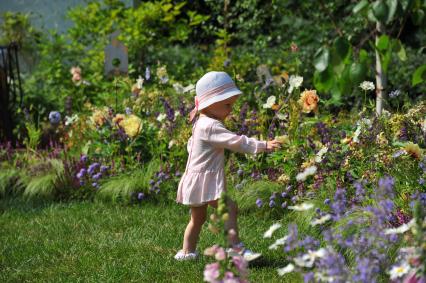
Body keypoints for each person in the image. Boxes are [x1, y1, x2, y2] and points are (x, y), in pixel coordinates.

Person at [174, 71, 282, 261]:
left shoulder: (201, 122)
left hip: (194, 179)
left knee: (197, 219)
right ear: (210, 103)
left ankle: (187, 252)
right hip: (204, 181)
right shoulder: (211, 126)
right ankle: (236, 249)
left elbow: (191, 145)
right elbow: (237, 142)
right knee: (229, 207)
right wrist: (263, 145)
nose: (231, 110)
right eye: (227, 105)